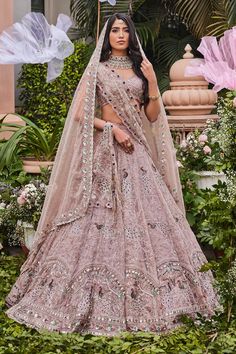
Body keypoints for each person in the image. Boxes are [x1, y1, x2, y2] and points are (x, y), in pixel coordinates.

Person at [5, 13, 220, 336]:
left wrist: (150, 82)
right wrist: (112, 130)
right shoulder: (98, 70)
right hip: (108, 150)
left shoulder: (139, 69)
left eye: (125, 31)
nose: (120, 35)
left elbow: (150, 116)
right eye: (114, 30)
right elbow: (79, 114)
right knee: (95, 216)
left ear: (131, 37)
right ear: (107, 37)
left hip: (137, 153)